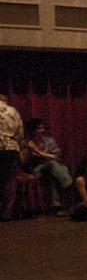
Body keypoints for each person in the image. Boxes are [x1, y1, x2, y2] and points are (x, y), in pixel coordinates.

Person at [24, 117, 72, 211]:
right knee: (54, 165)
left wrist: (39, 152)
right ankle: (69, 186)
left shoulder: (49, 141)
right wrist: (30, 151)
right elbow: (24, 161)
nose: (42, 130)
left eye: (42, 128)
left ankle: (56, 206)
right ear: (32, 131)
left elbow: (58, 157)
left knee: (58, 170)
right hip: (36, 169)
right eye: (39, 128)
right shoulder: (26, 143)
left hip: (51, 169)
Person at [0, 92, 24, 221]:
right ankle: (6, 213)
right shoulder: (13, 111)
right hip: (11, 148)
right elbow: (20, 133)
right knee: (9, 181)